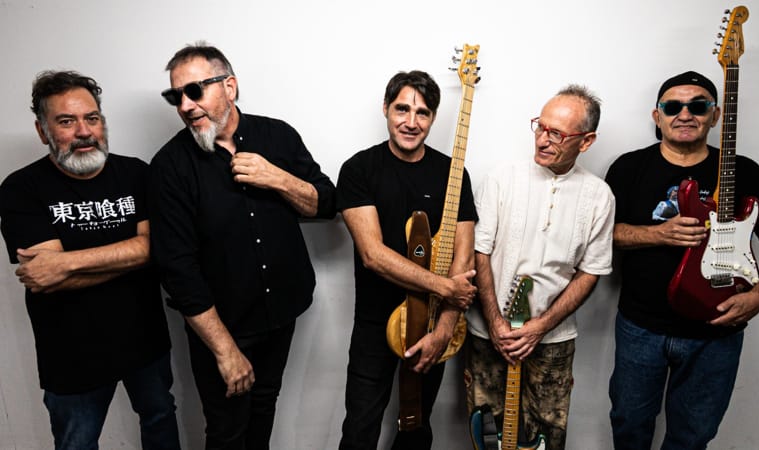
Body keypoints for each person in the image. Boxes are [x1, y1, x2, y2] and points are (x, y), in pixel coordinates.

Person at [148, 43, 336, 449]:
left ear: (229, 87)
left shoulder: (278, 136)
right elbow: (177, 269)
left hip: (281, 314)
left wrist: (278, 178)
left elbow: (326, 203)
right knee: (227, 432)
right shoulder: (169, 167)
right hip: (222, 328)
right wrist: (225, 351)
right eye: (175, 96)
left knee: (264, 410)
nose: (185, 106)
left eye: (194, 91)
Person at [605, 70, 759, 449]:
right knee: (629, 424)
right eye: (672, 107)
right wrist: (658, 233)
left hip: (717, 331)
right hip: (642, 327)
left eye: (698, 106)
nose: (685, 114)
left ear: (715, 115)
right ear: (657, 115)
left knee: (693, 436)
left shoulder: (744, 171)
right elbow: (600, 236)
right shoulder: (629, 168)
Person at [0, 70, 179, 450]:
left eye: (92, 118)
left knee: (160, 419)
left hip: (144, 341)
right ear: (42, 130)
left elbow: (158, 248)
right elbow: (44, 277)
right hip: (70, 355)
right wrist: (136, 254)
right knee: (77, 442)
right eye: (66, 121)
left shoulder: (136, 174)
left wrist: (66, 262)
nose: (84, 131)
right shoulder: (20, 188)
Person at [464, 85, 614, 450]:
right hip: (489, 334)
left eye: (557, 134)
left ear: (586, 141)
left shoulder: (599, 196)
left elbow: (591, 271)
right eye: (540, 127)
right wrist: (495, 322)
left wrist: (540, 327)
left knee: (549, 436)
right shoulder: (502, 178)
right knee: (486, 434)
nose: (543, 139)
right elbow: (479, 251)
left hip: (553, 340)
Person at [336, 70, 478, 450]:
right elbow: (373, 255)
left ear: (433, 118)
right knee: (360, 430)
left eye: (423, 113)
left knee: (416, 429)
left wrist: (444, 331)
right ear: (385, 108)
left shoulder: (453, 174)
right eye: (402, 109)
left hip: (433, 323)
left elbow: (463, 259)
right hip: (375, 324)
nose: (411, 122)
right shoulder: (359, 170)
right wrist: (445, 287)